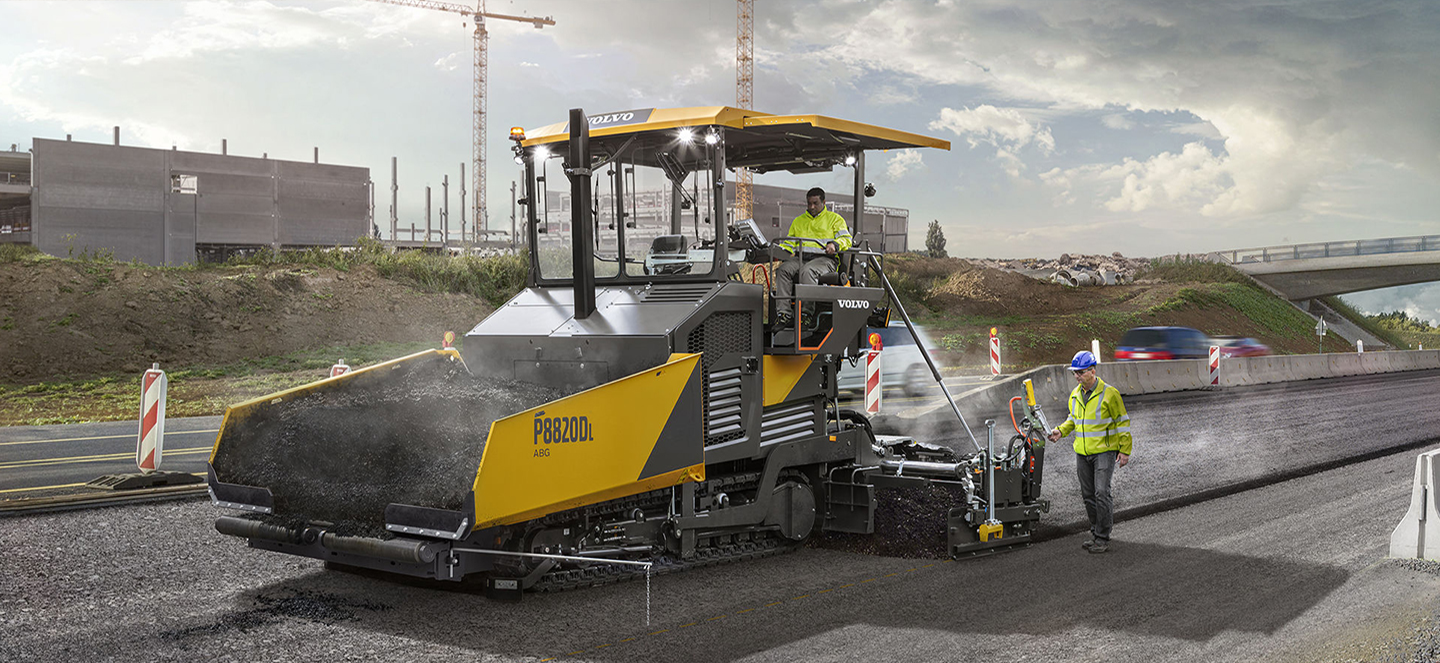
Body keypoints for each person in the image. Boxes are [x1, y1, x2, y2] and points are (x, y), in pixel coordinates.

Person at [1047, 350, 1132, 554]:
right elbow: (1073, 419)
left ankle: (1102, 537)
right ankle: (1095, 533)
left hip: (1104, 451)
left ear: (1093, 371)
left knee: (1101, 492)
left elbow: (1122, 422)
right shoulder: (1075, 394)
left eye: (1081, 372)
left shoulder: (1110, 393)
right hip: (1082, 452)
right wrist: (1061, 431)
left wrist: (1125, 450)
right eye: (1074, 373)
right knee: (1088, 495)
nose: (1077, 376)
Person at [773, 187, 853, 330]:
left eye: (815, 203)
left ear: (824, 202)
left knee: (808, 271)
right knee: (783, 270)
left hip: (825, 260)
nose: (812, 207)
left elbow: (846, 239)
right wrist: (779, 251)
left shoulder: (835, 219)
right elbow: (789, 243)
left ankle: (806, 315)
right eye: (809, 203)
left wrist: (835, 245)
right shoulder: (799, 221)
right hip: (801, 259)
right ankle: (784, 315)